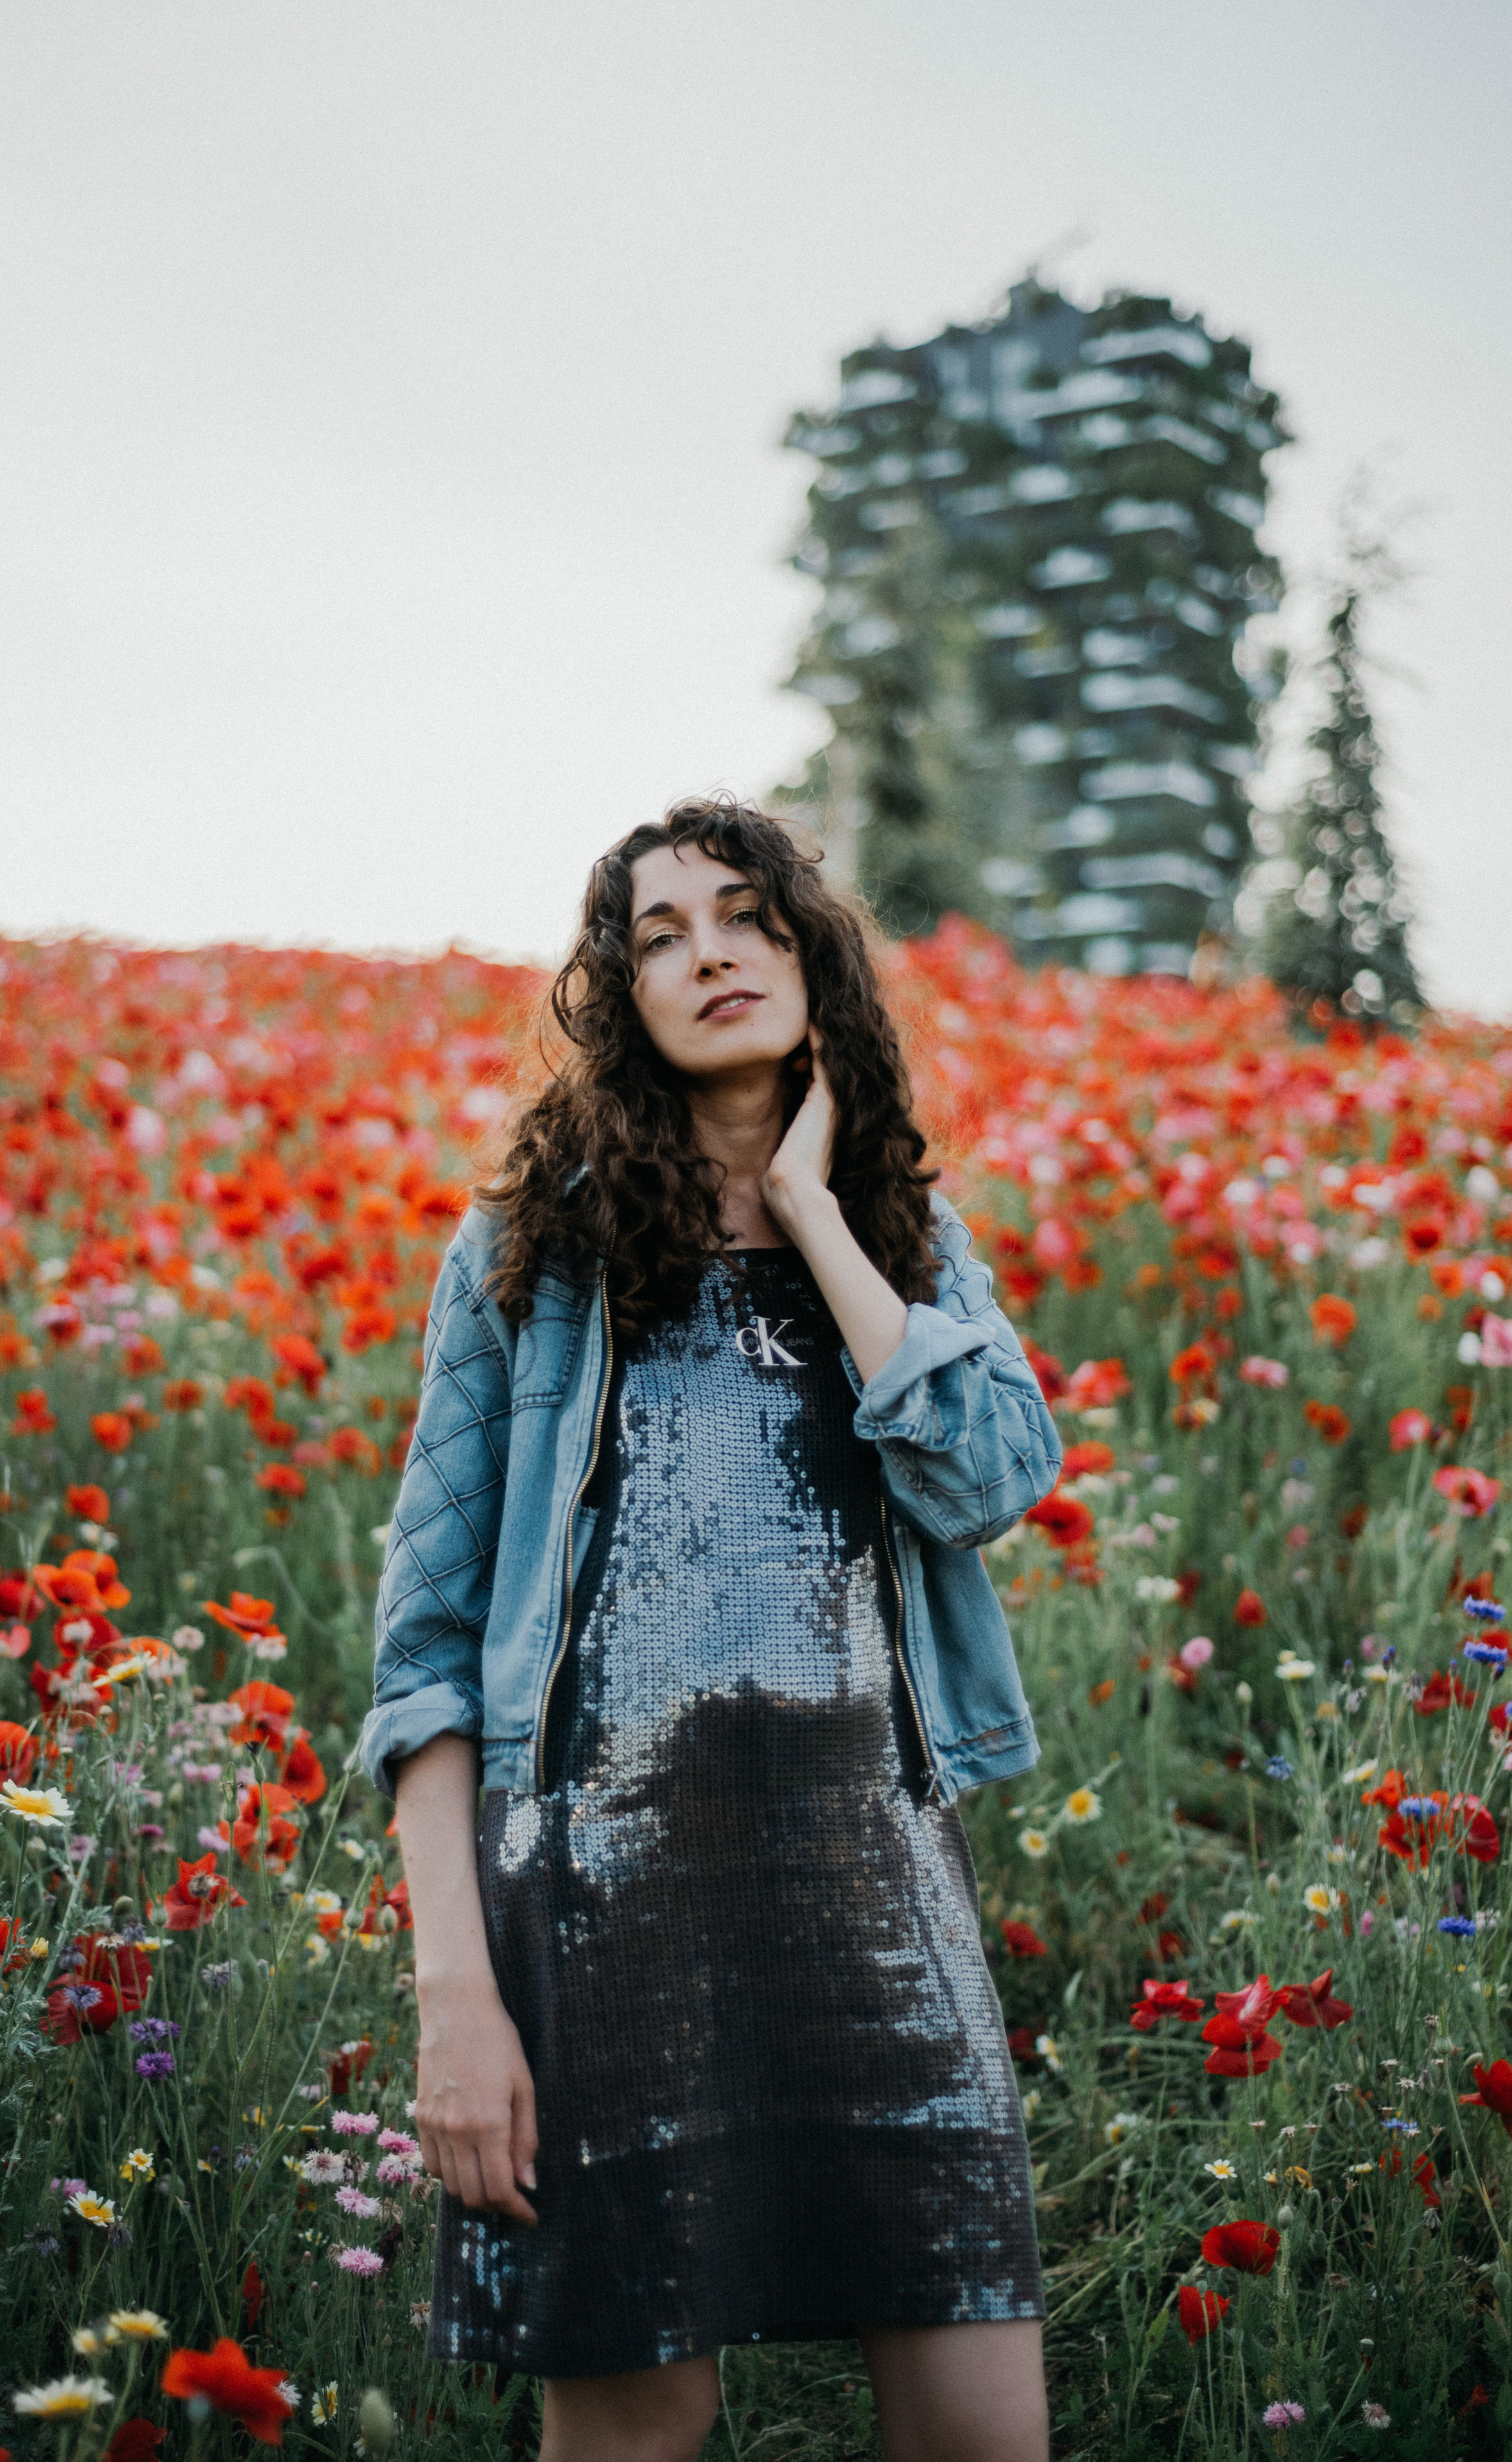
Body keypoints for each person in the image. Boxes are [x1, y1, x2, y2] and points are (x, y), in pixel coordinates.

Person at [360, 798, 1063, 2462]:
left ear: (811, 955)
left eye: (745, 915)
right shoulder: (530, 1252)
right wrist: (454, 1988)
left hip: (876, 1891)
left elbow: (992, 1474)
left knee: (982, 2425)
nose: (710, 954)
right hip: (599, 1907)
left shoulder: (904, 1235)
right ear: (622, 993)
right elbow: (425, 1655)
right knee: (635, 2428)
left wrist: (819, 1214)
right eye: (660, 934)